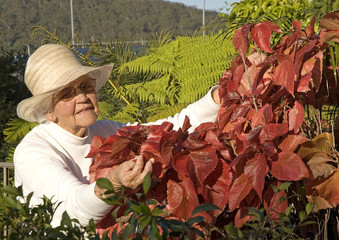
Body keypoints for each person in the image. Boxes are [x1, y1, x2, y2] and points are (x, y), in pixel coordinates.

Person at [14, 44, 221, 227]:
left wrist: (216, 98)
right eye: (67, 93)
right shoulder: (33, 152)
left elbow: (166, 130)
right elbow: (75, 210)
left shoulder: (105, 131)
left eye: (86, 86)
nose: (83, 97)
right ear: (48, 111)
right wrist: (114, 183)